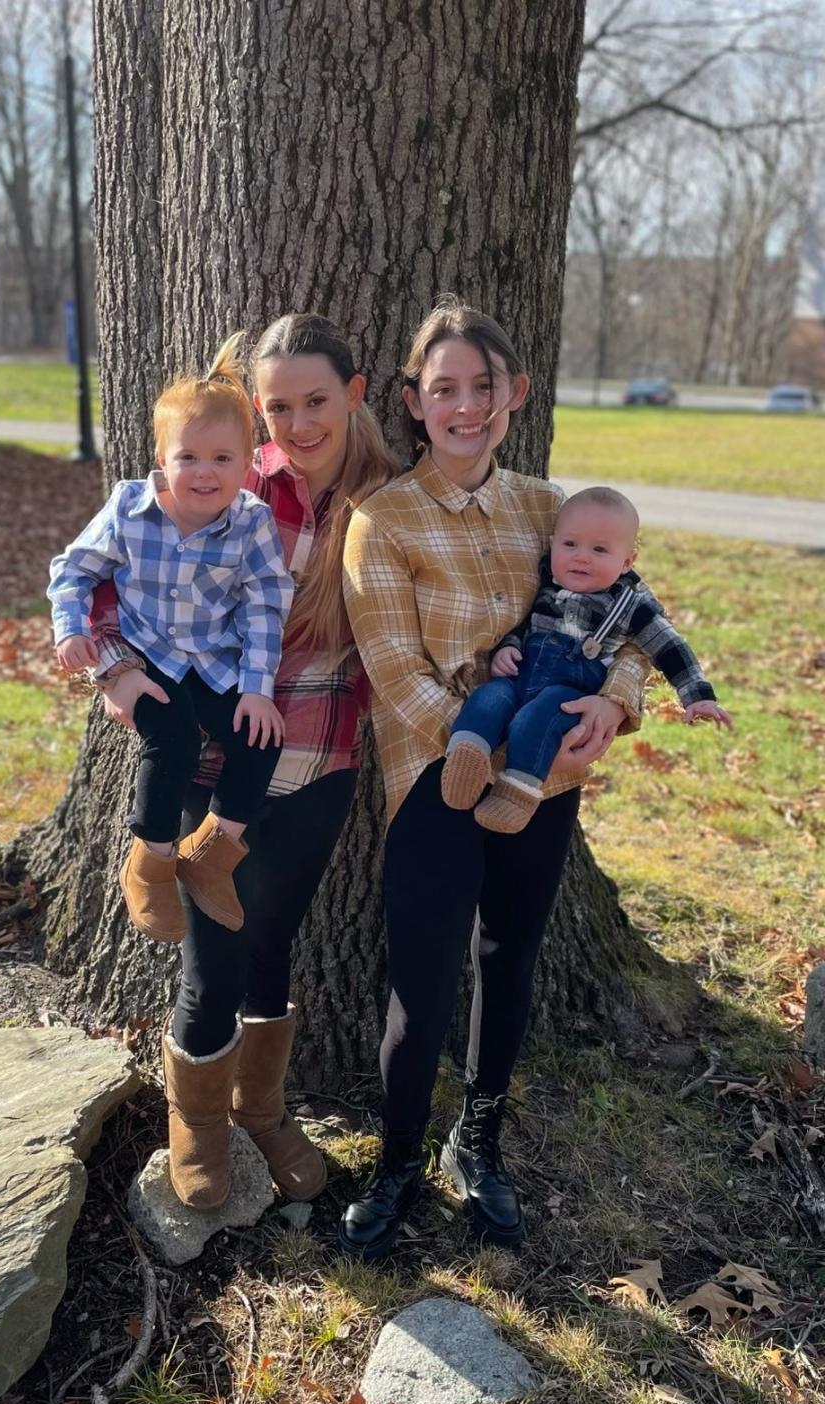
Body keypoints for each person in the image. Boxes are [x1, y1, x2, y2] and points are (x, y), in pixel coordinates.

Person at [339, 299, 651, 1259]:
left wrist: (618, 700)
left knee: (508, 958)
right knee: (423, 984)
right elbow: (398, 674)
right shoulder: (381, 522)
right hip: (438, 777)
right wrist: (483, 750)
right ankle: (397, 1160)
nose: (465, 407)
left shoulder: (546, 508)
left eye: (484, 387)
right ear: (414, 403)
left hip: (544, 781)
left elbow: (628, 615)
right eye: (444, 391)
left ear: (514, 395)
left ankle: (478, 1138)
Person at [89, 315, 399, 1211]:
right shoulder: (226, 480)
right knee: (214, 956)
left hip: (324, 754)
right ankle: (198, 1127)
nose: (298, 425)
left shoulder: (388, 496)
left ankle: (261, 1106)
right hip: (218, 759)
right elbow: (109, 581)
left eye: (317, 402)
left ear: (356, 393)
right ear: (255, 412)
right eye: (279, 407)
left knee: (273, 939)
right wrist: (110, 666)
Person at [48, 336, 293, 946]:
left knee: (259, 739)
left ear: (247, 465)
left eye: (222, 459)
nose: (204, 472)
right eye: (189, 457)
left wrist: (258, 690)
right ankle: (152, 862)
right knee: (173, 734)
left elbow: (266, 604)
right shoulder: (130, 509)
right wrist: (72, 629)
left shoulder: (252, 523)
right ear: (162, 458)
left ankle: (214, 851)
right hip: (147, 653)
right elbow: (73, 570)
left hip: (213, 659)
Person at [443, 484, 732, 833]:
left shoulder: (630, 605)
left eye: (599, 549)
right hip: (520, 677)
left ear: (627, 561)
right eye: (570, 544)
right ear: (554, 544)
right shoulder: (547, 582)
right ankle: (466, 755)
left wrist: (698, 697)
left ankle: (516, 794)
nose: (581, 556)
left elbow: (671, 648)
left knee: (534, 722)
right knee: (488, 698)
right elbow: (523, 623)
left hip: (567, 693)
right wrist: (508, 646)